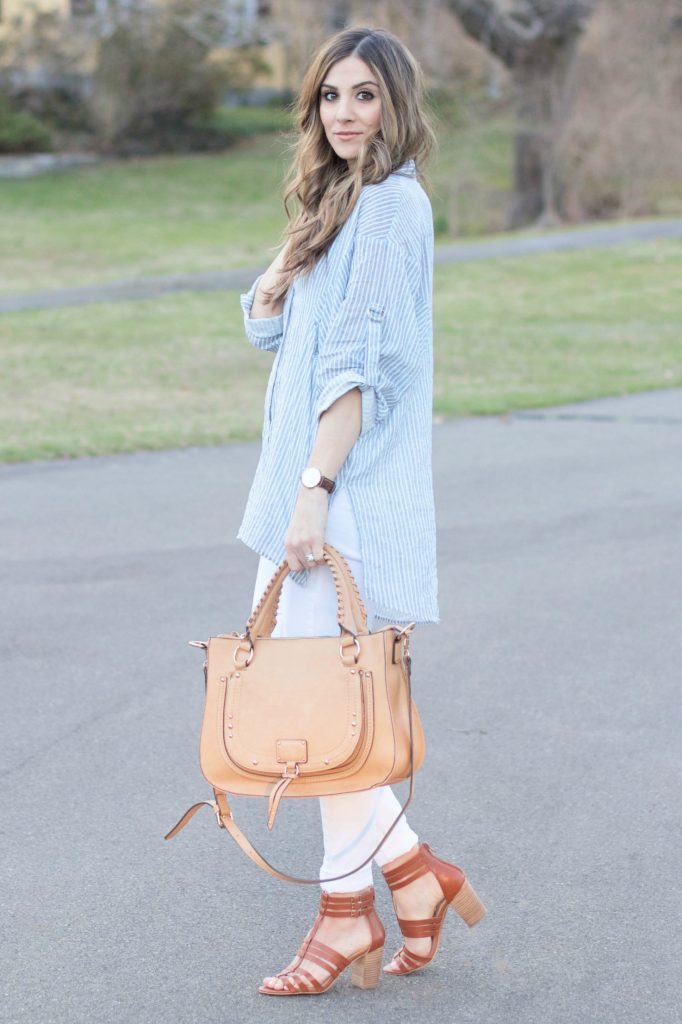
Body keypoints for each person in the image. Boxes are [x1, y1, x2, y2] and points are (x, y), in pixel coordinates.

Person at [238, 26, 485, 997]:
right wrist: (290, 255)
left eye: (366, 96)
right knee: (321, 718)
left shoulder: (388, 209)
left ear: (398, 106)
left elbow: (356, 366)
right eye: (331, 95)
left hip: (335, 502)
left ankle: (349, 917)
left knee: (320, 723)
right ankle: (413, 877)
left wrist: (315, 495)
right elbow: (276, 331)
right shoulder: (344, 202)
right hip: (303, 496)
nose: (346, 112)